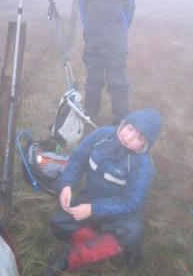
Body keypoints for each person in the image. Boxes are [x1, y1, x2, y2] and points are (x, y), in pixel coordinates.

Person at [44, 108, 163, 275]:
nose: (129, 137)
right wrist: (67, 184)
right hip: (90, 199)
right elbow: (78, 159)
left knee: (131, 232)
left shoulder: (144, 165)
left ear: (145, 144)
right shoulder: (101, 136)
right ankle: (109, 247)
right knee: (58, 222)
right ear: (124, 123)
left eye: (139, 137)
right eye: (130, 129)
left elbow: (131, 201)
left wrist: (93, 209)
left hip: (121, 213)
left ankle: (70, 258)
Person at [79, 0, 135, 125]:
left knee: (118, 82)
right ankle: (90, 115)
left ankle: (121, 119)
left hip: (115, 42)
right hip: (93, 41)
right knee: (93, 81)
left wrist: (120, 29)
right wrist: (89, 26)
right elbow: (83, 7)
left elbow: (130, 9)